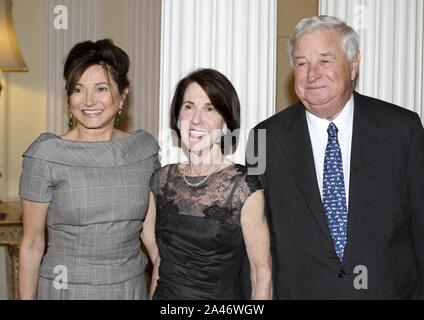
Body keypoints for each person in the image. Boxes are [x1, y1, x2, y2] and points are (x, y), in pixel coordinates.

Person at [247, 15, 424, 299]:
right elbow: (253, 243)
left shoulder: (403, 130)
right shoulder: (263, 139)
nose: (311, 74)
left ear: (353, 66)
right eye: (302, 63)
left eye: (325, 61)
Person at [18, 39, 159, 300]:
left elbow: (153, 240)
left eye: (101, 89)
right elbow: (32, 244)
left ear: (122, 96)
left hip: (128, 289)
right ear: (68, 97)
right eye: (79, 89)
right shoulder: (46, 154)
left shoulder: (143, 151)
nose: (89, 101)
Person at [143, 68, 272, 300]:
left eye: (210, 109)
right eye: (188, 106)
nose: (196, 119)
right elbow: (161, 263)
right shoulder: (161, 180)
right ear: (177, 117)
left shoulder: (244, 187)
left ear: (225, 123)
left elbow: (261, 275)